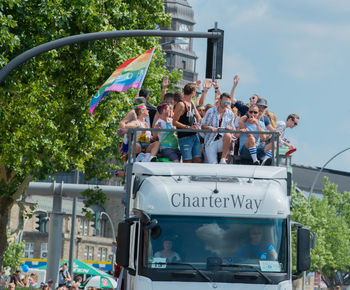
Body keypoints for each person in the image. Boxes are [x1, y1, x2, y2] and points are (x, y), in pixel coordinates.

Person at [201, 93, 236, 164]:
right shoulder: (210, 111)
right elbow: (202, 126)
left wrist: (230, 128)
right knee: (213, 164)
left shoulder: (231, 114)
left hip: (222, 141)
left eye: (228, 103)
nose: (225, 104)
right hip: (210, 140)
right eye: (224, 102)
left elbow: (233, 129)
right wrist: (211, 128)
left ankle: (223, 159)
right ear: (219, 100)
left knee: (228, 135)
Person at [172, 83, 202, 163]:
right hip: (184, 137)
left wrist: (197, 125)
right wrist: (188, 127)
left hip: (194, 135)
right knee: (187, 160)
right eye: (195, 91)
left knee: (197, 159)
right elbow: (174, 122)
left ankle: (195, 175)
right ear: (193, 92)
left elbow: (198, 116)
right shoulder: (181, 104)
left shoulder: (191, 103)